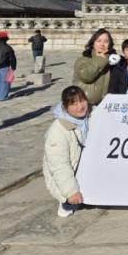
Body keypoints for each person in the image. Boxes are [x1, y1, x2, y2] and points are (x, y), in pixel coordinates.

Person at [43, 85, 90, 217]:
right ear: (65, 107)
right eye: (74, 104)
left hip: (86, 170)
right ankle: (66, 202)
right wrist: (71, 192)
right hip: (67, 178)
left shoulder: (89, 118)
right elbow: (59, 165)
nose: (80, 106)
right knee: (68, 208)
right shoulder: (57, 131)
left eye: (82, 101)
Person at [72, 28, 116, 105]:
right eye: (99, 41)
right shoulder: (83, 60)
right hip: (85, 104)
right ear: (93, 43)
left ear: (110, 44)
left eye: (106, 41)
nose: (102, 44)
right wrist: (100, 59)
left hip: (106, 105)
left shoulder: (113, 61)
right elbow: (87, 77)